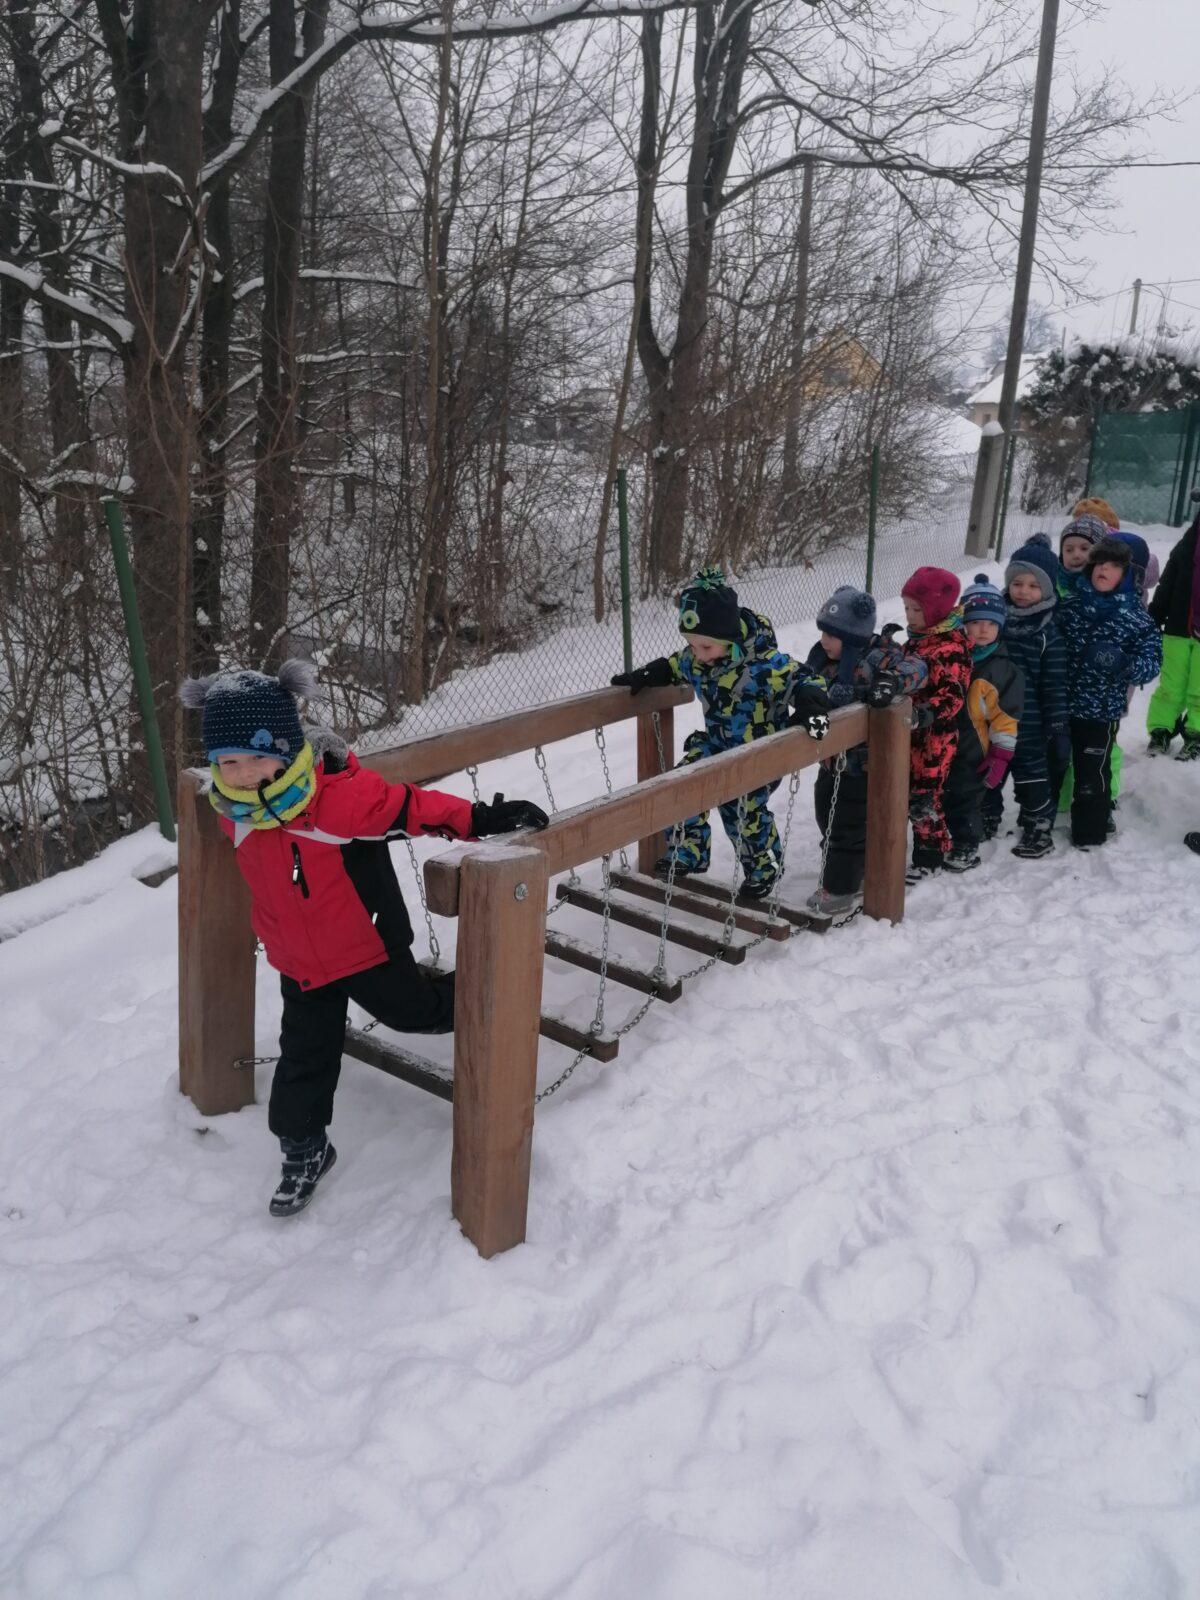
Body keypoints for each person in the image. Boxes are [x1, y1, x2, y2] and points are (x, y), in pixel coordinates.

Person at [179, 660, 549, 1217]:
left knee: (412, 1011)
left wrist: (479, 818)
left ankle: (486, 997)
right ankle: (303, 1148)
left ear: (285, 749)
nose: (243, 774)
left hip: (365, 946)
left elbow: (410, 808)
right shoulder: (234, 813)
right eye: (228, 762)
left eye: (257, 757)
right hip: (299, 961)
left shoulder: (336, 798)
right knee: (304, 1053)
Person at [611, 565, 830, 900]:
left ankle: (763, 867)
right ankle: (690, 850)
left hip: (760, 754)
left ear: (729, 639)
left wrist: (811, 706)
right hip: (716, 745)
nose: (698, 655)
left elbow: (804, 678)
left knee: (741, 809)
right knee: (682, 782)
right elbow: (674, 665)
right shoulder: (698, 659)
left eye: (706, 648)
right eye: (692, 645)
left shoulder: (764, 666)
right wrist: (648, 674)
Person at [803, 586, 926, 913]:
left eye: (833, 635)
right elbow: (806, 689)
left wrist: (891, 682)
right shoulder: (821, 659)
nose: (824, 641)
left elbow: (918, 667)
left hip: (863, 766)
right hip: (831, 760)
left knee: (847, 827)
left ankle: (841, 888)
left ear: (855, 636)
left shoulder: (877, 657)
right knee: (825, 815)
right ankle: (850, 868)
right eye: (823, 632)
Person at [1057, 535, 1163, 848]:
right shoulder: (1072, 607)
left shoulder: (1136, 618)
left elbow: (1151, 663)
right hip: (1061, 704)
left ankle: (1090, 832)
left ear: (1127, 574)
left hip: (1100, 711)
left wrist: (1124, 664)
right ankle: (1040, 818)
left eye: (1114, 565)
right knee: (1055, 763)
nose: (1104, 569)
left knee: (1092, 773)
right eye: (1099, 563)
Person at [983, 534, 1069, 859]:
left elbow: (1055, 684)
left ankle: (1038, 827)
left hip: (1030, 725)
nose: (1024, 591)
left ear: (1047, 591)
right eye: (1018, 583)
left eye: (1034, 586)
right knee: (987, 773)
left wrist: (1058, 725)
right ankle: (986, 816)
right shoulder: (995, 623)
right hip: (992, 720)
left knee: (1032, 779)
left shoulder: (1048, 633)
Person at [941, 575, 1023, 871]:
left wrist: (1001, 754)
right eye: (975, 622)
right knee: (942, 795)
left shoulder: (1003, 669)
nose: (983, 630)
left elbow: (1006, 716)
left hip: (975, 749)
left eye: (990, 623)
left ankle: (966, 845)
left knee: (965, 799)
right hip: (943, 743)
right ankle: (941, 840)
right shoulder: (951, 658)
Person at [899, 566, 973, 882]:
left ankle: (930, 854)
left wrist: (928, 712)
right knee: (908, 791)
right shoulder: (917, 641)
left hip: (936, 738)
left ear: (936, 610)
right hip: (912, 732)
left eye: (917, 609)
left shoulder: (949, 647)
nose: (910, 615)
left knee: (925, 799)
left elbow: (954, 693)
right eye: (907, 608)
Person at [1145, 505, 1200, 760]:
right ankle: (1161, 730)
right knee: (1171, 686)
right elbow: (1168, 581)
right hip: (1177, 629)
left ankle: (1196, 735)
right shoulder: (1188, 544)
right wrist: (1156, 612)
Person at [1057, 512, 1108, 598]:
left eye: (1084, 548)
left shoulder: (1109, 586)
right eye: (1069, 550)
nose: (1076, 555)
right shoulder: (1051, 584)